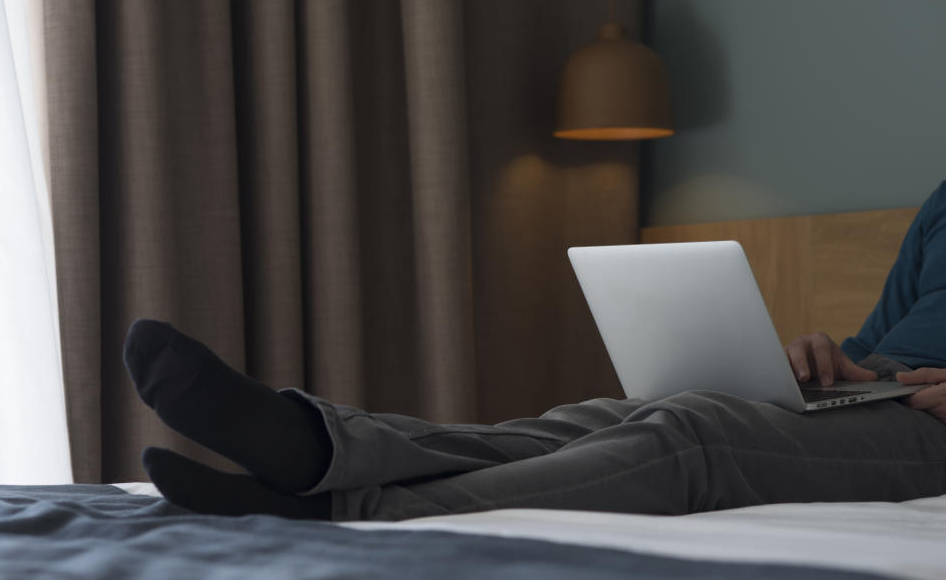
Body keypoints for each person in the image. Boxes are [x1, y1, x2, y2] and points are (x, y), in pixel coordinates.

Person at [124, 181, 946, 521]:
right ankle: (321, 446)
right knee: (599, 418)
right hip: (870, 393)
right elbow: (876, 343)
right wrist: (830, 356)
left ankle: (350, 509)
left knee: (690, 434)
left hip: (933, 434)